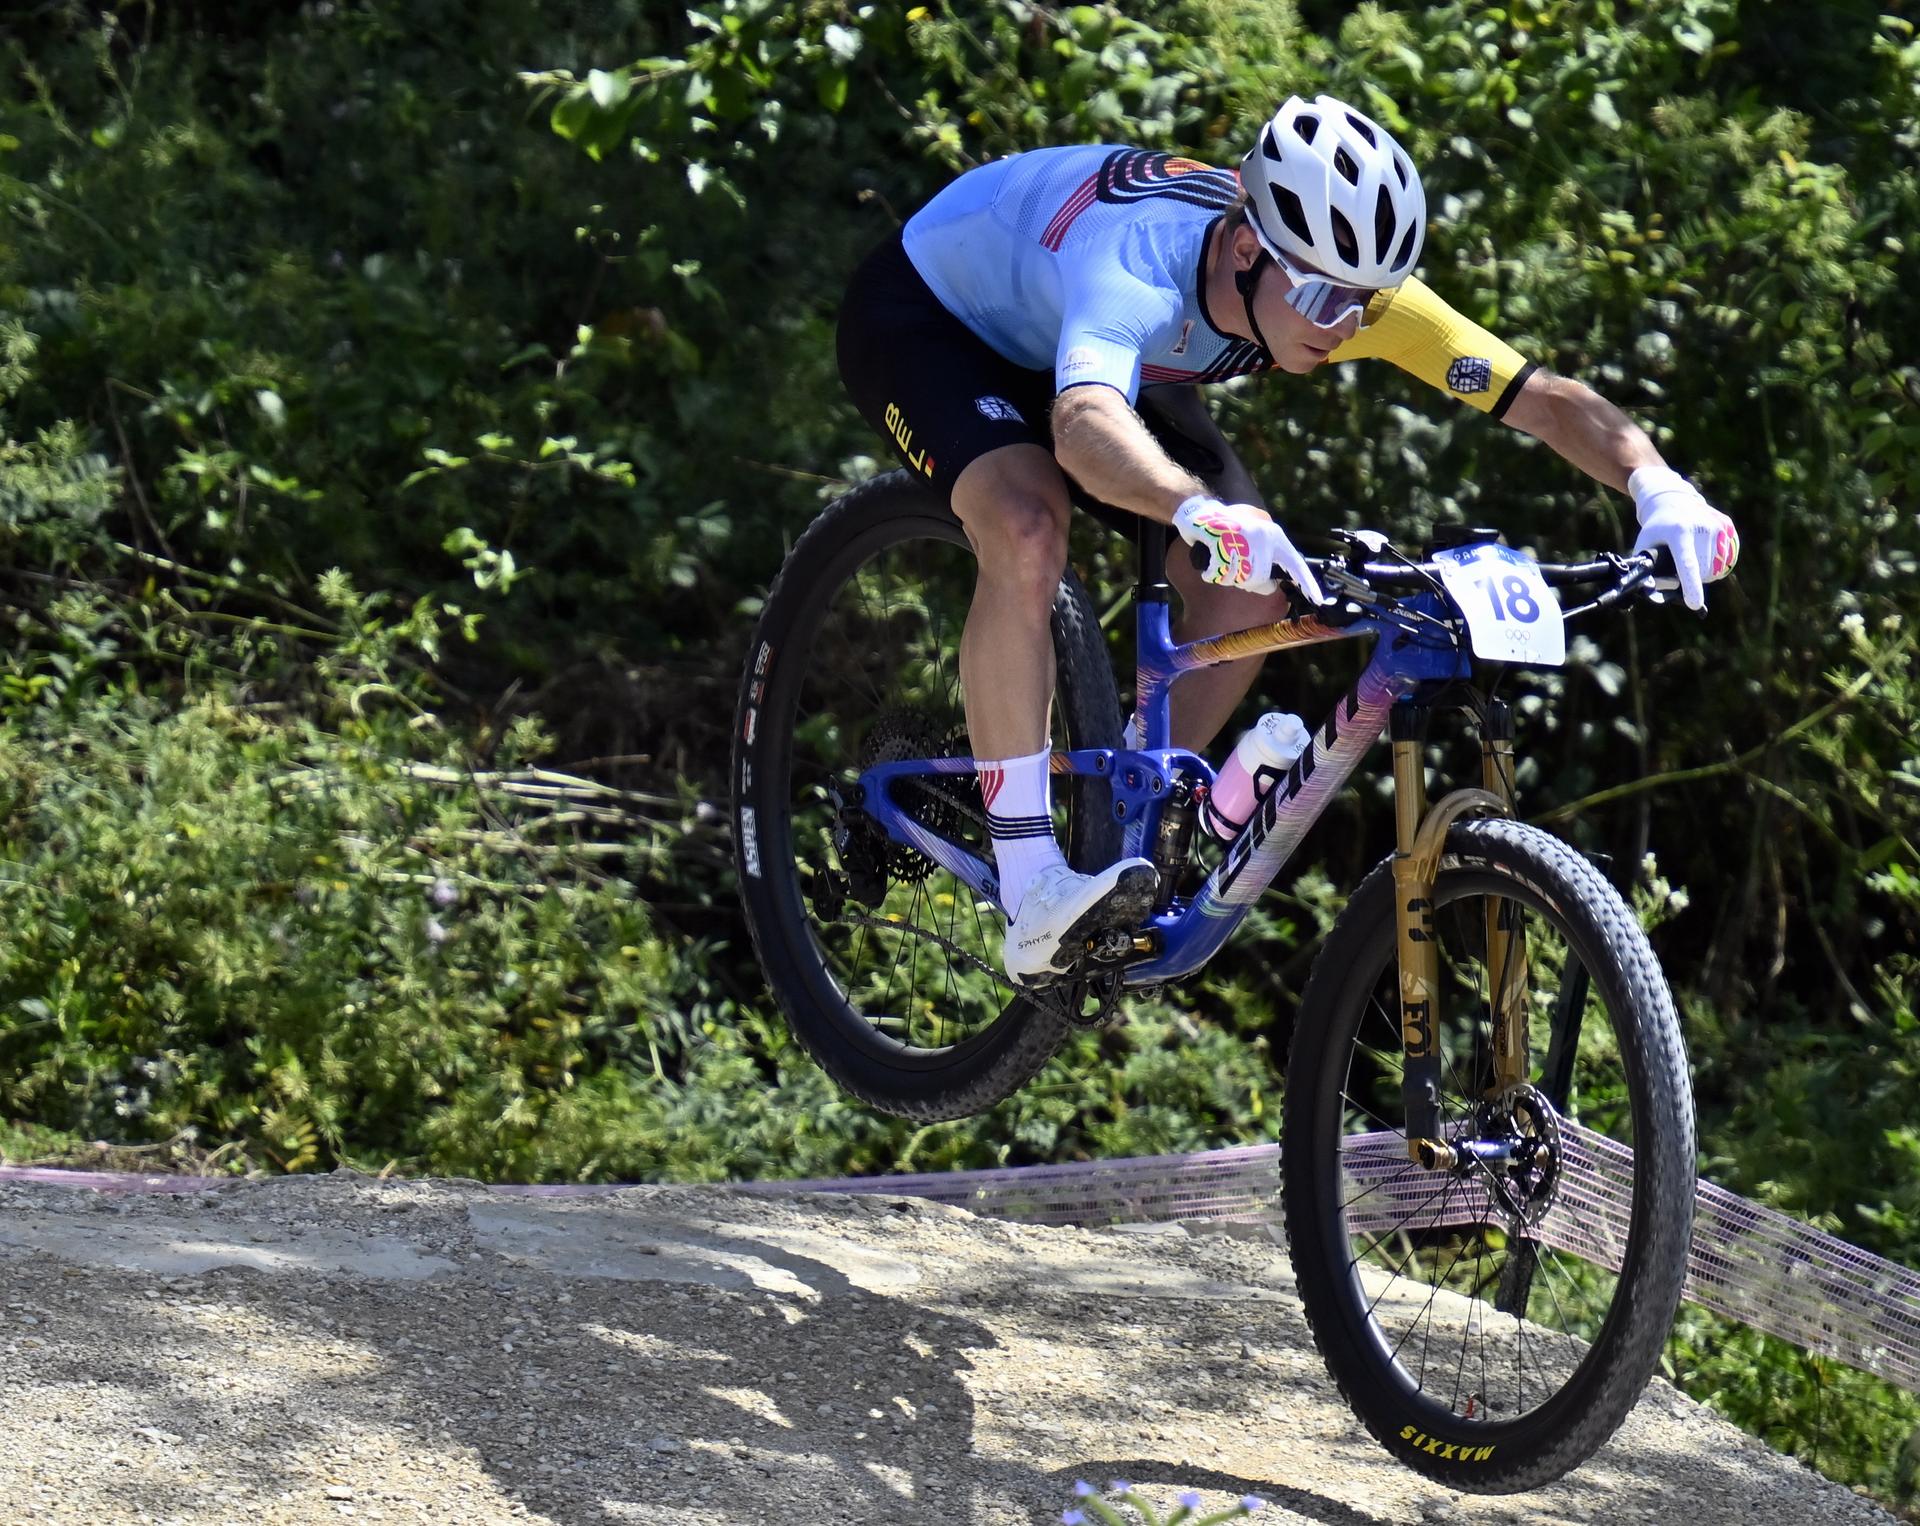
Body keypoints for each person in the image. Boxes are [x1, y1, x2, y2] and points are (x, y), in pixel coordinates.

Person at [835, 93, 1739, 986]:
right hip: (938, 322)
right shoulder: (1138, 264)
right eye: (1317, 295)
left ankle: (1105, 834)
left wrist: (1658, 485)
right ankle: (1032, 879)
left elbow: (1538, 396)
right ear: (1242, 248)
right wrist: (1197, 510)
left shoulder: (1343, 292)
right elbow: (1080, 425)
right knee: (1028, 522)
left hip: (1117, 358)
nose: (1340, 324)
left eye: (1365, 302)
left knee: (1251, 592)